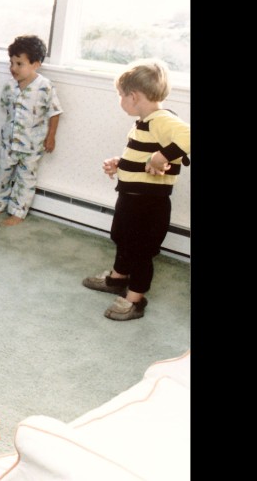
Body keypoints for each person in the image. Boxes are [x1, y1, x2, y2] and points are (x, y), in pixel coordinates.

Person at [81, 59, 190, 321]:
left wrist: (162, 157)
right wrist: (121, 163)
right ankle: (118, 278)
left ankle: (135, 300)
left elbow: (188, 137)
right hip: (130, 198)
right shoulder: (144, 122)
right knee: (121, 237)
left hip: (150, 204)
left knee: (141, 250)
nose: (120, 100)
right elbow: (142, 155)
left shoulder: (161, 119)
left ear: (133, 96)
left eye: (120, 95)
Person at [0, 35, 63, 226]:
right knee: (2, 173)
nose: (13, 68)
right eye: (11, 62)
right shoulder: (9, 86)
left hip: (32, 145)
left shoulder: (44, 87)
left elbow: (55, 112)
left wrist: (51, 137)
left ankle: (18, 211)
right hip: (9, 142)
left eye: (19, 63)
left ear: (35, 64)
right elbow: (6, 108)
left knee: (25, 179)